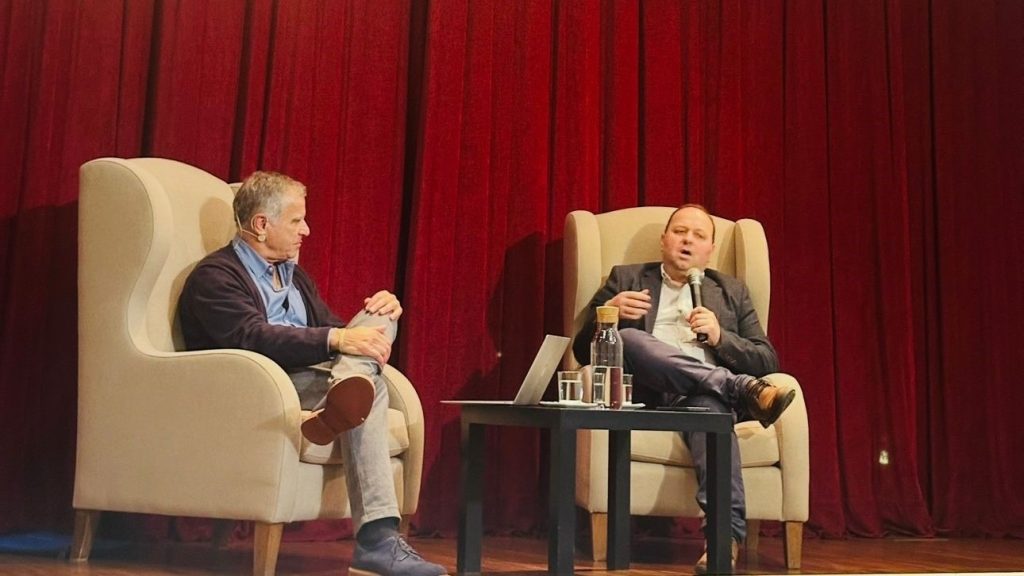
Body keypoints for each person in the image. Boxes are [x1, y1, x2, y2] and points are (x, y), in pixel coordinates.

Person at [178, 171, 446, 576]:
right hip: (263, 385)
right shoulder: (214, 277)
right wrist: (340, 339)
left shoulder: (294, 276)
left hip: (312, 378)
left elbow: (333, 328)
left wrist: (371, 321)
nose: (306, 230)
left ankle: (346, 390)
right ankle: (377, 543)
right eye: (296, 220)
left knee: (380, 317)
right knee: (369, 385)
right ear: (261, 224)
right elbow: (250, 336)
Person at [572, 204, 796, 574]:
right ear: (664, 240)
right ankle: (736, 387)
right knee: (630, 338)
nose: (687, 240)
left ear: (710, 250)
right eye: (679, 232)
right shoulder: (626, 278)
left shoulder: (731, 292)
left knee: (712, 413)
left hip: (702, 399)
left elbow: (767, 360)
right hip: (647, 394)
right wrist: (607, 314)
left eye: (698, 235)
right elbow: (582, 351)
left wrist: (721, 337)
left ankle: (723, 543)